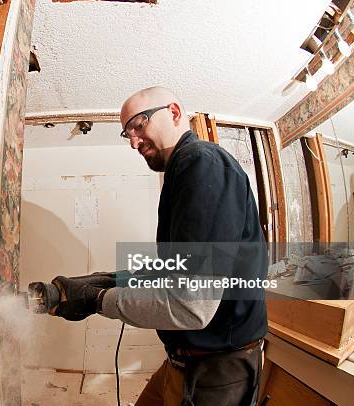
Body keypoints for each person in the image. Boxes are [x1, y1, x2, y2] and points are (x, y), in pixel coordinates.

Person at [48, 87, 268, 405]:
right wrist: (113, 279)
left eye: (139, 124)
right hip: (185, 358)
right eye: (127, 134)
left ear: (175, 112)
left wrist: (98, 300)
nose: (134, 142)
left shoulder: (201, 164)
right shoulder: (183, 171)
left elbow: (191, 307)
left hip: (217, 370)